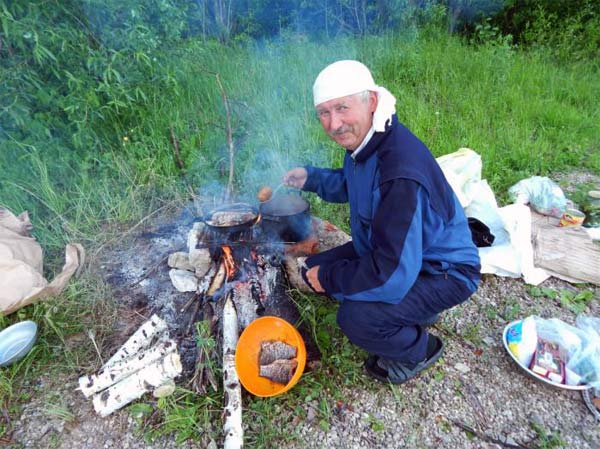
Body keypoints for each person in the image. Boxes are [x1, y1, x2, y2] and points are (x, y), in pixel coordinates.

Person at [283, 60, 481, 384]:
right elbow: (353, 184)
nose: (334, 123)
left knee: (355, 317)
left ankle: (420, 348)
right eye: (324, 112)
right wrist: (312, 178)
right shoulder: (369, 140)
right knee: (312, 267)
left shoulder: (400, 171)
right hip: (398, 252)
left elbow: (391, 275)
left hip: (444, 270)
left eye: (342, 108)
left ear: (371, 101)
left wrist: (332, 278)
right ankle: (416, 309)